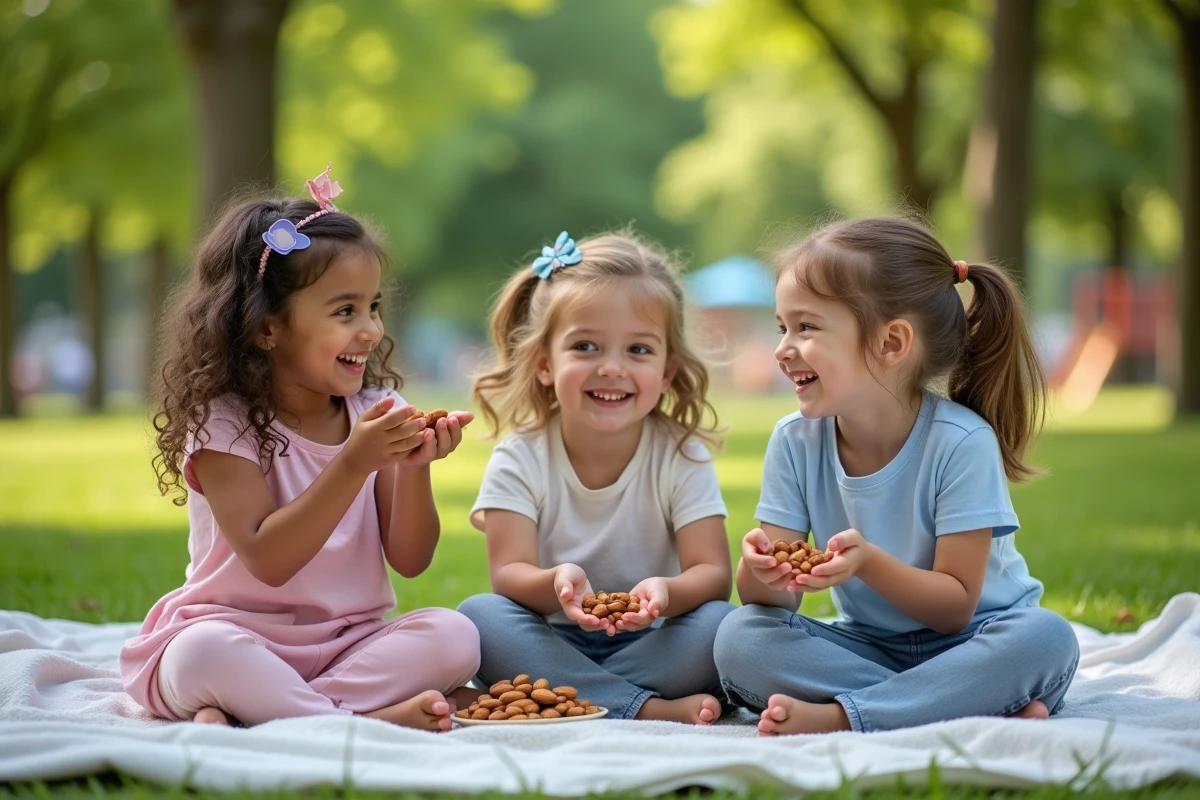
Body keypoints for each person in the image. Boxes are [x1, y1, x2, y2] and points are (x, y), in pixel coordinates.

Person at [120, 165, 480, 731]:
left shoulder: (376, 415)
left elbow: (411, 559)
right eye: (345, 311)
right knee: (203, 655)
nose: (373, 331)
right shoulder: (225, 424)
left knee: (456, 635)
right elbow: (269, 560)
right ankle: (366, 721)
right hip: (232, 636)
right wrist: (353, 464)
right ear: (268, 329)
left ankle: (272, 713)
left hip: (346, 647)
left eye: (374, 307)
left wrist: (412, 469)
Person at [715, 217, 1079, 735]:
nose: (782, 348)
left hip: (978, 639)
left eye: (807, 327)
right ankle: (962, 702)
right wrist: (761, 572)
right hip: (870, 647)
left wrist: (868, 564)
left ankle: (847, 715)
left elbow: (954, 608)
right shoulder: (794, 441)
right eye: (782, 327)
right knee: (740, 637)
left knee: (1046, 638)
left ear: (891, 343)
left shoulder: (961, 442)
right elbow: (778, 601)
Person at [458, 230, 734, 724]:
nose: (612, 368)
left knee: (724, 625)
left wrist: (667, 594)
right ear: (545, 364)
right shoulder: (520, 455)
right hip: (552, 639)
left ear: (668, 372)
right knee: (479, 616)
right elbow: (508, 573)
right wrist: (559, 585)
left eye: (638, 350)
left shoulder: (679, 453)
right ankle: (644, 707)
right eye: (586, 346)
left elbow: (712, 573)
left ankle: (583, 699)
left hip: (654, 641)